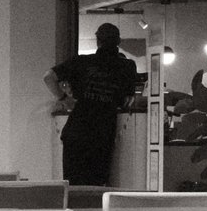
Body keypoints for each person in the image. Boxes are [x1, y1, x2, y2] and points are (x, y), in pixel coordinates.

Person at [47, 22, 143, 186]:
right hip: (103, 132)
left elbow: (48, 77)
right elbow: (129, 100)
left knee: (74, 187)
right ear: (118, 41)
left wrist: (64, 98)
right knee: (96, 187)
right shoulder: (127, 66)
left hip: (76, 131)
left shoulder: (80, 62)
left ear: (97, 40)